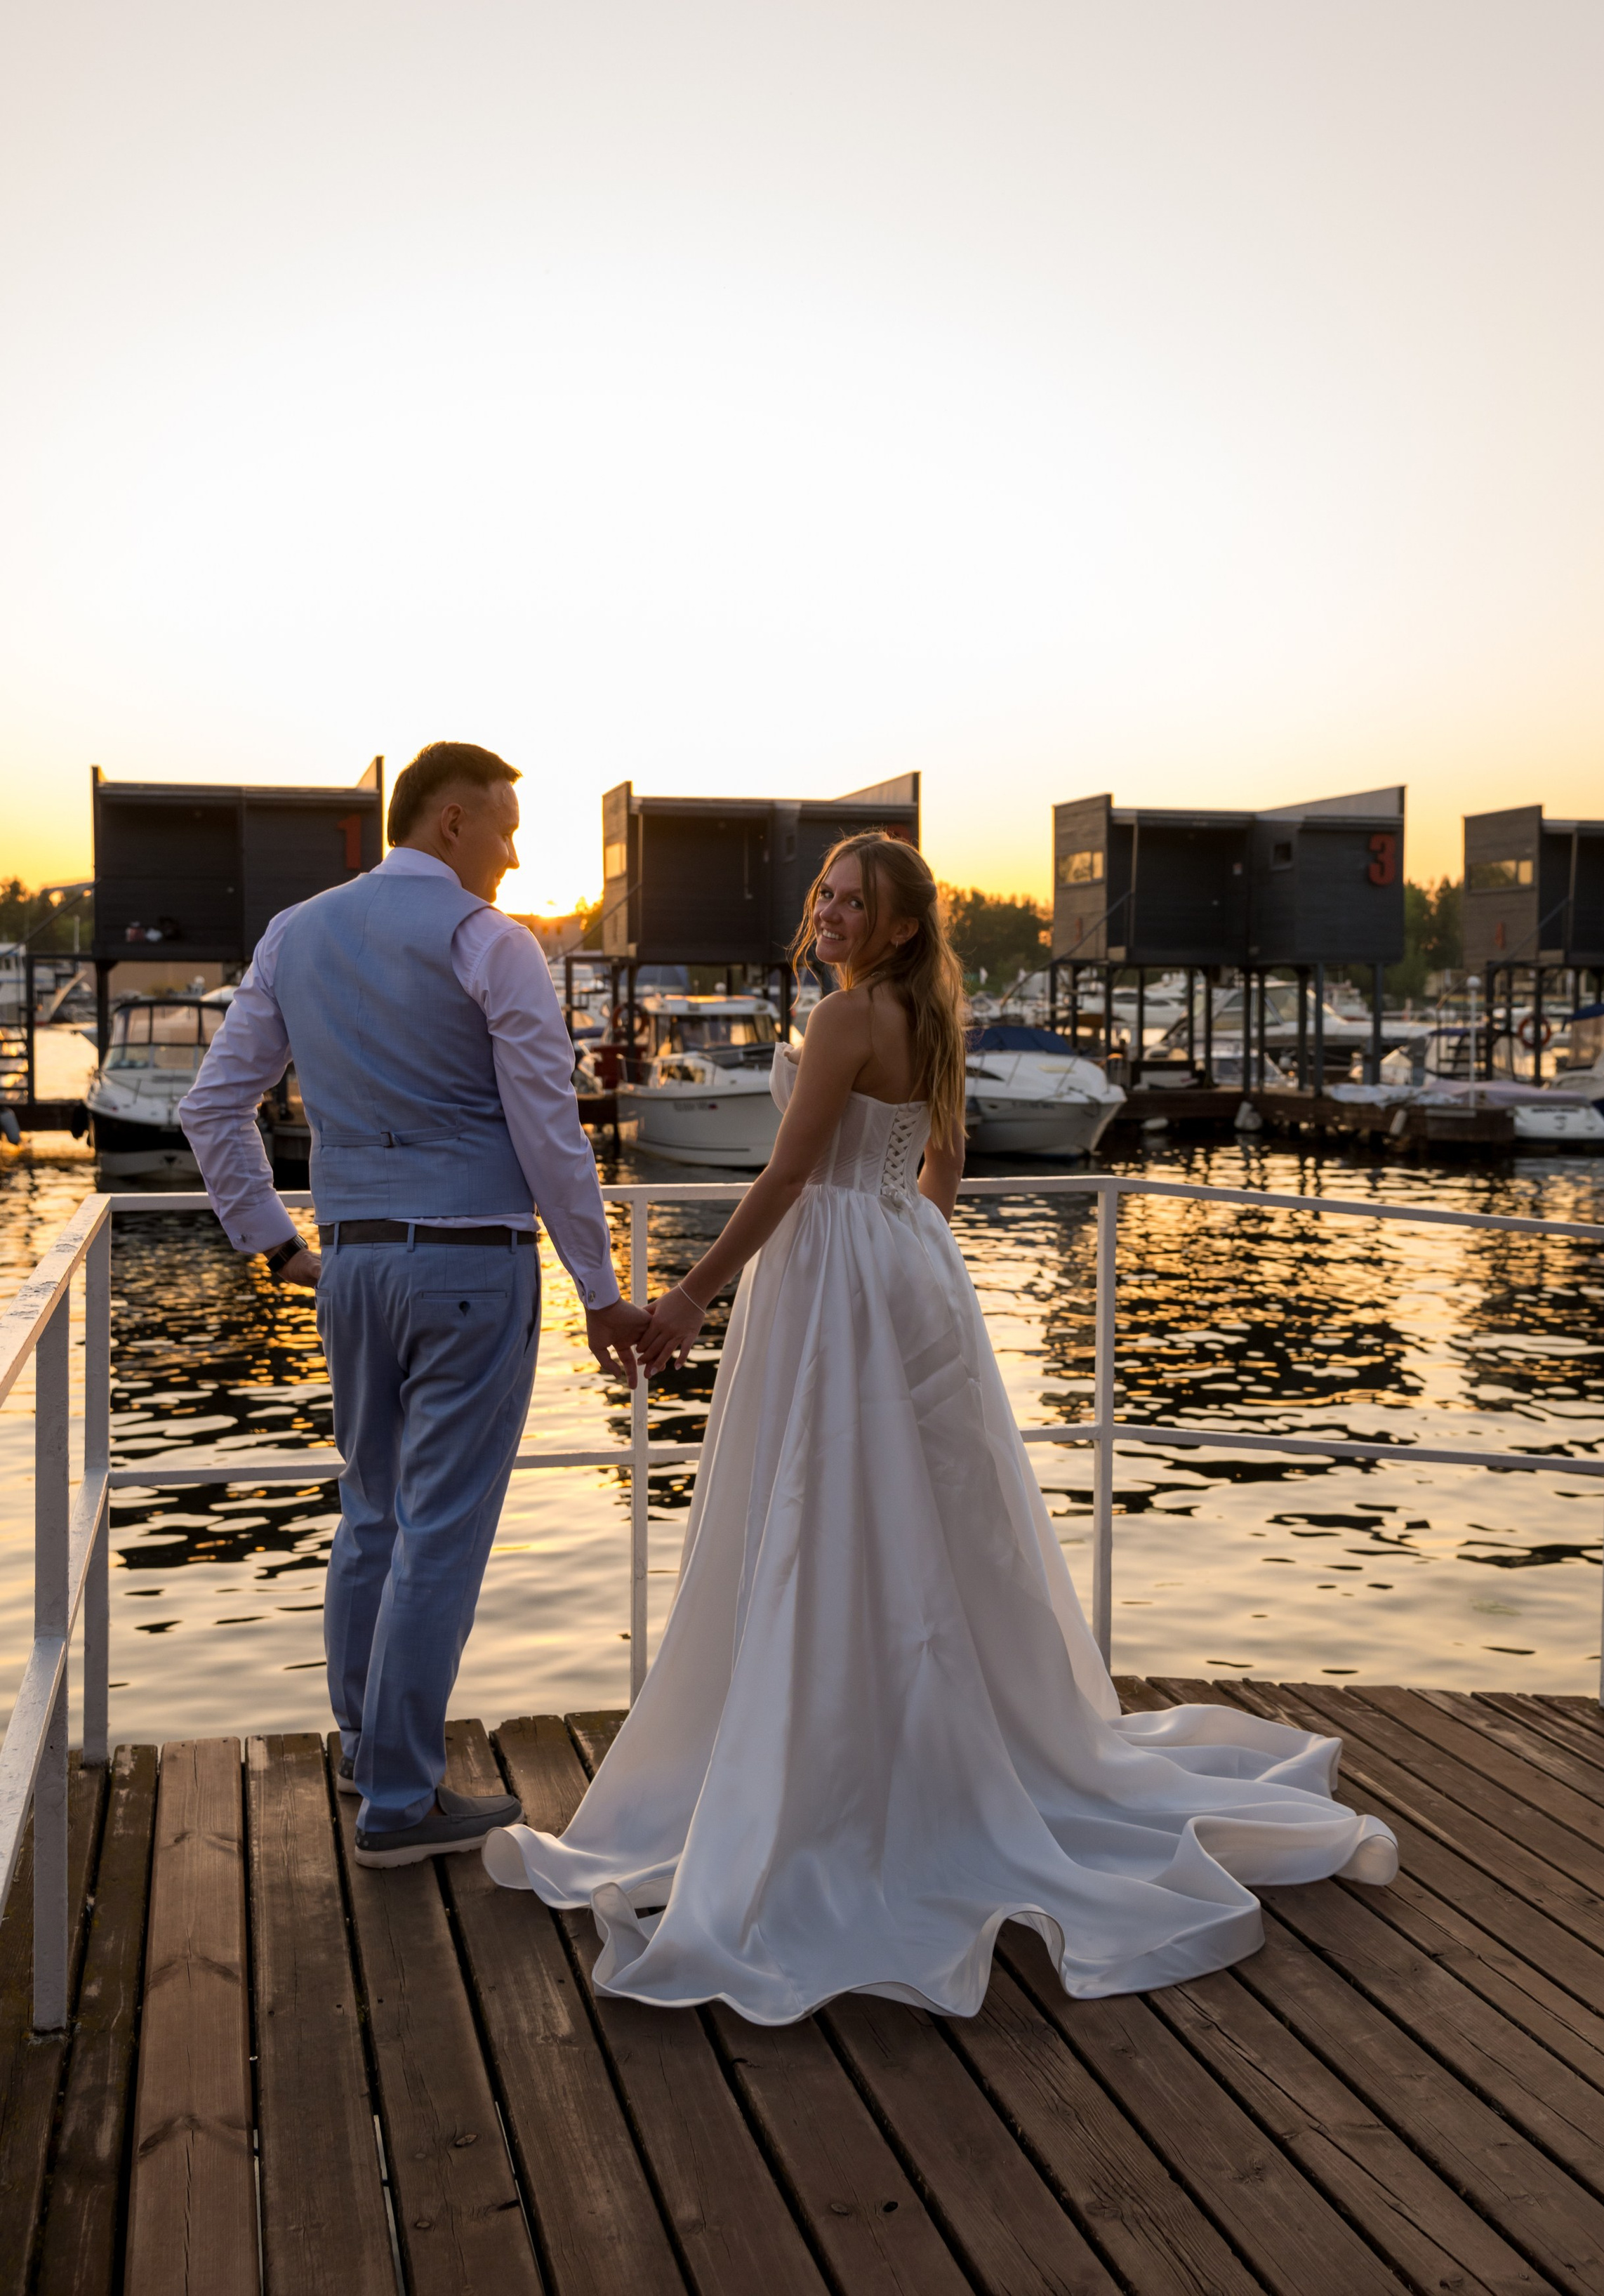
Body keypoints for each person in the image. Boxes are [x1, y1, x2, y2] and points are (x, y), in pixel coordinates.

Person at [485, 833, 1396, 2018]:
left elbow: (788, 1175)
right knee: (925, 1514)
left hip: (834, 1270)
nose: (830, 913)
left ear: (901, 925)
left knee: (828, 1501)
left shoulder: (847, 1021)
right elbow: (942, 1170)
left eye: (854, 902)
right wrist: (895, 1248)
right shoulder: (930, 1013)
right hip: (912, 1268)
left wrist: (690, 1298)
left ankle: (837, 1753)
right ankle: (920, 1736)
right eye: (826, 896)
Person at [180, 741, 647, 1868]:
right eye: (505, 828)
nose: (517, 852)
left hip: (351, 1263)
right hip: (470, 1267)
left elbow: (212, 1109)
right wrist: (600, 1290)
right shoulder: (492, 944)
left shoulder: (297, 933)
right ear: (449, 823)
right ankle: (399, 1798)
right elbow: (549, 1134)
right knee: (440, 1528)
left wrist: (275, 1245)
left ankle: (364, 1747)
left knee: (373, 1509)